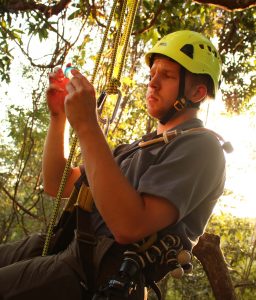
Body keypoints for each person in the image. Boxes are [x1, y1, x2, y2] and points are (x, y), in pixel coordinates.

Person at [0, 30, 226, 300]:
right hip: (67, 246)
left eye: (167, 76)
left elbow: (129, 226)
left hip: (94, 272)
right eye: (152, 74)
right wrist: (58, 116)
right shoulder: (133, 150)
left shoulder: (201, 148)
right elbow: (56, 182)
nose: (152, 83)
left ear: (197, 92)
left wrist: (87, 126)